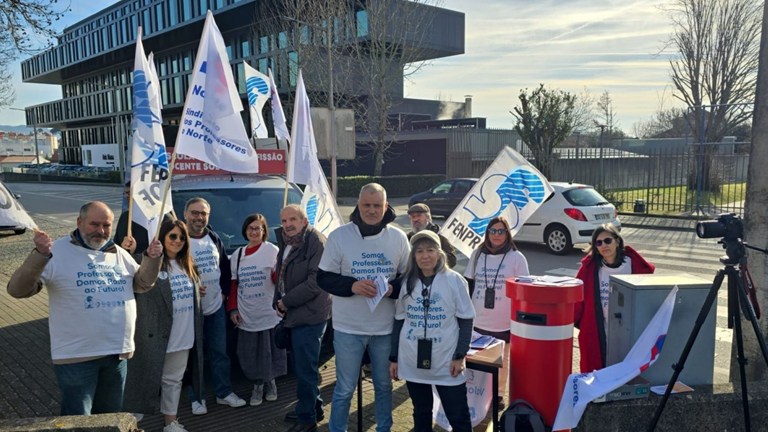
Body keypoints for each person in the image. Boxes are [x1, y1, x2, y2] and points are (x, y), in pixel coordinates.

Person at [6, 201, 163, 416]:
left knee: (109, 418)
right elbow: (17, 290)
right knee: (79, 419)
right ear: (79, 222)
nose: (101, 231)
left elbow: (142, 284)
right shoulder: (57, 251)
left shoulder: (117, 252)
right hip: (77, 357)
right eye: (94, 224)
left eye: (106, 225)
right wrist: (40, 255)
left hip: (116, 354)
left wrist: (152, 259)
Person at [318, 183, 410, 432]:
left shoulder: (398, 237)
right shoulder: (339, 236)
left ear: (386, 206)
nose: (371, 210)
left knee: (384, 385)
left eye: (377, 205)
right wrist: (352, 285)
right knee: (344, 388)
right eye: (367, 205)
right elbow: (323, 278)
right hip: (348, 328)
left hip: (385, 328)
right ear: (358, 205)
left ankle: (384, 428)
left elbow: (409, 278)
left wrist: (391, 289)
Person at [124, 220, 204, 432]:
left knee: (173, 381)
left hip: (183, 335)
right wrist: (129, 252)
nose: (177, 241)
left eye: (182, 237)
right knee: (143, 378)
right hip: (154, 334)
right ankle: (132, 422)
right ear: (162, 237)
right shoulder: (149, 261)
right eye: (172, 236)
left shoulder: (189, 265)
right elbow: (134, 276)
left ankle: (170, 422)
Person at [390, 230, 474, 432]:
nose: (425, 256)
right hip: (412, 360)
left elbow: (466, 320)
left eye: (430, 250)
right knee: (421, 413)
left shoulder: (454, 280)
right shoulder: (407, 282)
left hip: (446, 361)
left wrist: (460, 355)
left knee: (458, 416)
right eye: (419, 251)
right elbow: (399, 321)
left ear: (439, 253)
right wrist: (394, 358)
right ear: (413, 256)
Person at [183, 197, 246, 415]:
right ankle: (197, 397)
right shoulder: (179, 239)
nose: (199, 217)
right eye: (195, 212)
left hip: (215, 306)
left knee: (220, 352)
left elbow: (224, 269)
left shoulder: (213, 237)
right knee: (195, 355)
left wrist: (224, 293)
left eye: (203, 213)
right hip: (191, 309)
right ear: (185, 214)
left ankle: (224, 393)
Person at [274, 205, 330, 432]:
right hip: (295, 313)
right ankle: (313, 407)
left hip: (310, 315)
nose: (288, 224)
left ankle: (307, 419)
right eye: (284, 220)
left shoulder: (316, 242)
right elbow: (282, 275)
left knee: (306, 370)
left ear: (304, 221)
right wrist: (278, 300)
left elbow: (316, 282)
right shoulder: (287, 240)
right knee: (303, 366)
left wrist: (286, 302)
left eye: (293, 219)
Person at [464, 216, 529, 406]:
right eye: (493, 231)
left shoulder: (516, 257)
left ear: (507, 233)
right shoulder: (477, 254)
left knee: (502, 360)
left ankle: (498, 394)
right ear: (487, 233)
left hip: (504, 321)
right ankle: (478, 394)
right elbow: (469, 284)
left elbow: (524, 290)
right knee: (478, 359)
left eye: (501, 231)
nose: (497, 235)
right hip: (478, 319)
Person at [574, 223, 655, 373]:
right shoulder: (590, 268)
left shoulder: (632, 265)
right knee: (598, 371)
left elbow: (647, 297)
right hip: (598, 329)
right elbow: (577, 299)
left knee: (626, 371)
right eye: (598, 243)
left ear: (617, 241)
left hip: (628, 329)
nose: (604, 245)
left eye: (607, 240)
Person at [226, 214, 286, 407]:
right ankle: (258, 385)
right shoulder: (238, 255)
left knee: (270, 352)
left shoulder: (272, 251)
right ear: (245, 230)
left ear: (264, 231)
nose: (254, 232)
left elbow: (279, 281)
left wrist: (280, 272)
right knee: (251, 353)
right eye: (250, 228)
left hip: (268, 312)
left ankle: (271, 384)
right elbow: (234, 285)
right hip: (247, 313)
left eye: (258, 228)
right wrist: (233, 309)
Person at [115, 181, 173, 262]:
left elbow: (173, 249)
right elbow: (116, 245)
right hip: (131, 265)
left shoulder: (164, 218)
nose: (127, 196)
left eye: (130, 193)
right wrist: (126, 249)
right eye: (126, 193)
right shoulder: (125, 217)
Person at [406, 203, 457, 268]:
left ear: (428, 217)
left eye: (419, 216)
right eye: (413, 217)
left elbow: (452, 260)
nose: (415, 219)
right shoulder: (408, 237)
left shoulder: (439, 234)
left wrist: (432, 261)